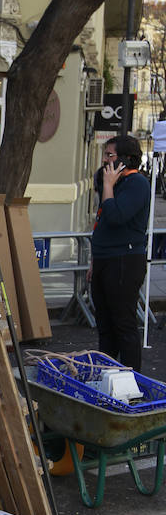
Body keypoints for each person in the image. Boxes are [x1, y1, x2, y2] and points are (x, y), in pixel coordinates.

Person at [87, 135, 150, 371]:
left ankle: (132, 377)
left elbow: (115, 216)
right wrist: (95, 262)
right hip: (104, 259)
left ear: (125, 159)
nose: (104, 161)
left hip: (124, 260)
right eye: (105, 155)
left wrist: (108, 186)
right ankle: (107, 372)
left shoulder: (136, 184)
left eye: (109, 156)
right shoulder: (114, 184)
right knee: (105, 324)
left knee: (123, 324)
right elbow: (102, 224)